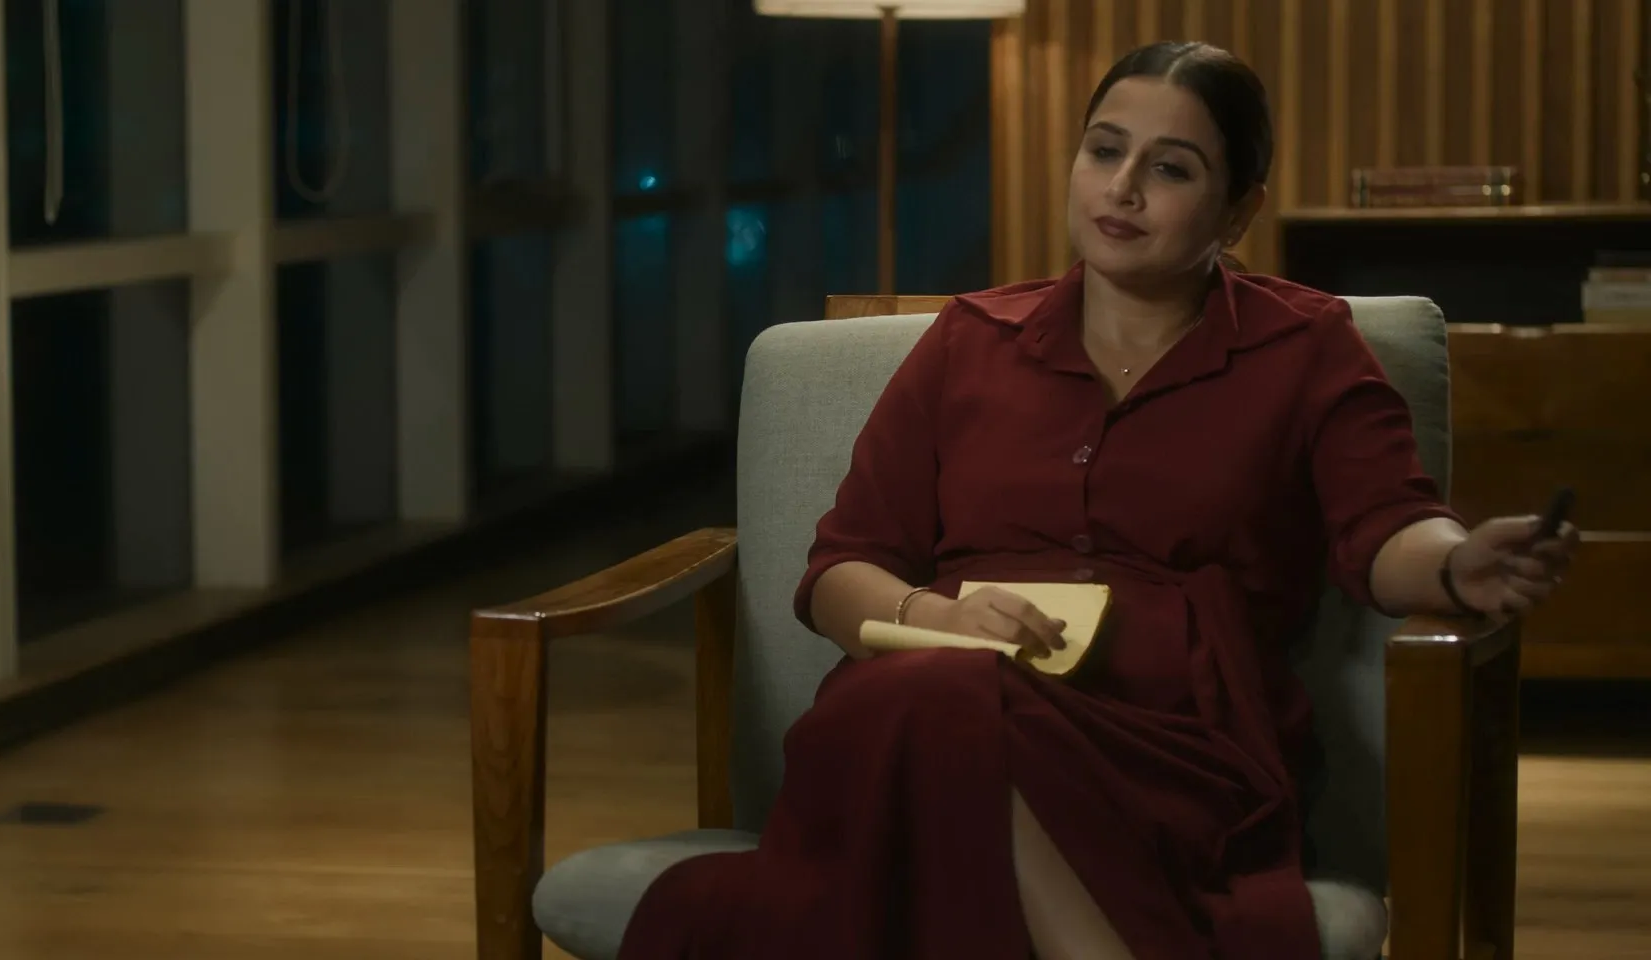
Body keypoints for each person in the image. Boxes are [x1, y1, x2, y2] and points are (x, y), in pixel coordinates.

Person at [616, 40, 1578, 960]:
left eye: (1171, 169)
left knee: (937, 731)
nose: (1121, 189)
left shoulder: (1307, 347)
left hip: (1166, 745)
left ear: (1238, 211)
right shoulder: (970, 341)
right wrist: (935, 620)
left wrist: (1457, 563)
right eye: (1104, 151)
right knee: (932, 701)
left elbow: (1387, 525)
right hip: (915, 707)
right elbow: (841, 570)